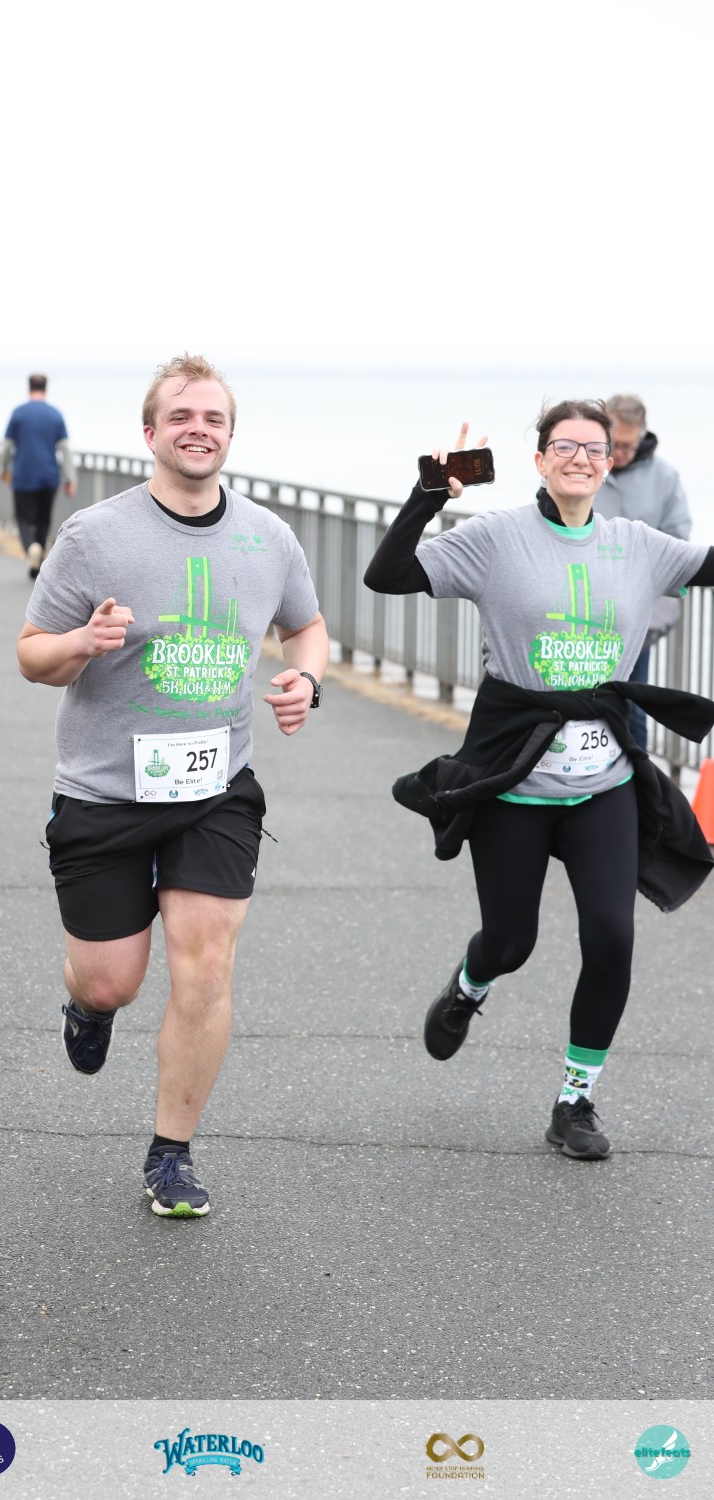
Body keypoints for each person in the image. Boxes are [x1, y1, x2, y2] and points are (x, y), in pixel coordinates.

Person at [17, 353, 329, 1215]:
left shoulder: (269, 537)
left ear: (230, 435)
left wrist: (304, 680)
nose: (199, 430)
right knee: (110, 980)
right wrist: (80, 643)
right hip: (104, 792)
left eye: (213, 418)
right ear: (150, 432)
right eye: (181, 417)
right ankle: (88, 1007)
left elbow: (306, 627)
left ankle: (171, 1154)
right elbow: (31, 655)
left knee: (205, 967)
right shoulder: (94, 536)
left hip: (216, 790)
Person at [364, 402, 714, 1161]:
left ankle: (574, 1102)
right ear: (539, 459)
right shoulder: (495, 538)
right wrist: (430, 493)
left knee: (612, 938)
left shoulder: (638, 545)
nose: (580, 458)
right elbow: (385, 575)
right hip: (513, 781)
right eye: (564, 445)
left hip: (603, 781)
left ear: (610, 462)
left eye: (594, 448)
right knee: (510, 941)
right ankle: (469, 986)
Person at [593, 394, 691, 750]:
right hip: (581, 611)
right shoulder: (583, 466)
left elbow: (678, 540)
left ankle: (639, 781)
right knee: (580, 701)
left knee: (633, 706)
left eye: (628, 445)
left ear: (642, 434)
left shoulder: (664, 477)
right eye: (615, 444)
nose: (621, 453)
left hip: (636, 615)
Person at [0, 374, 77, 579]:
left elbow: (6, 447)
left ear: (29, 388)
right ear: (45, 389)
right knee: (43, 519)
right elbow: (66, 449)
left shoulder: (18, 414)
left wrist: (3, 469)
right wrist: (69, 478)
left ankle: (30, 548)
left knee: (23, 518)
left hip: (23, 476)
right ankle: (39, 560)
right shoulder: (55, 415)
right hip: (48, 476)